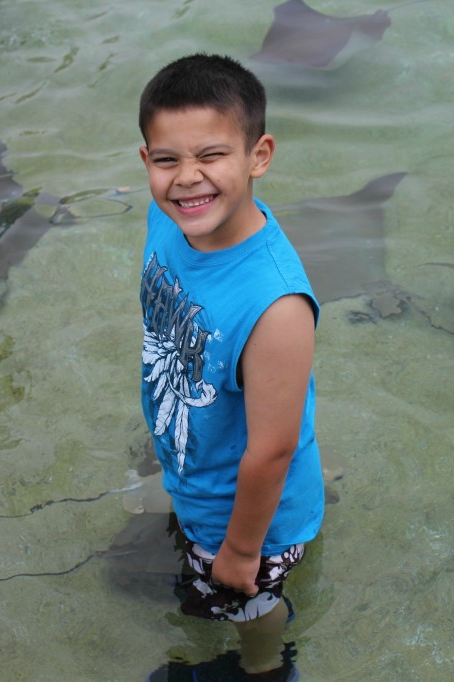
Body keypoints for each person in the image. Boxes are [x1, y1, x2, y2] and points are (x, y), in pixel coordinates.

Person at [138, 53, 324, 681]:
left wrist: (242, 553)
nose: (187, 179)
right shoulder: (168, 224)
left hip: (250, 525)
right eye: (167, 160)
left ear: (258, 155)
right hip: (198, 470)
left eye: (211, 155)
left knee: (244, 603)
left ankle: (266, 665)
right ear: (146, 163)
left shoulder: (276, 307)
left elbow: (273, 448)